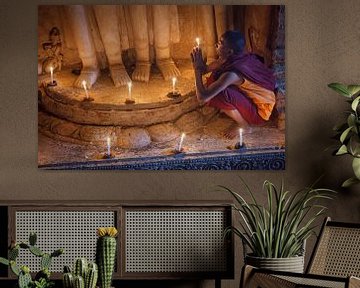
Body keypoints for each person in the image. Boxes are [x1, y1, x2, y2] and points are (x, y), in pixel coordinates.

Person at [190, 30, 276, 139]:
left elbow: (203, 97)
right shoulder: (235, 56)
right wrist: (200, 65)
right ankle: (236, 109)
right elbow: (206, 69)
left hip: (260, 114)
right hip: (255, 101)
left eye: (220, 43)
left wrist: (196, 70)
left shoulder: (232, 74)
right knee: (216, 78)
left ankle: (244, 126)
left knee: (220, 93)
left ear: (230, 51)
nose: (216, 45)